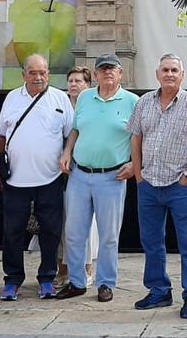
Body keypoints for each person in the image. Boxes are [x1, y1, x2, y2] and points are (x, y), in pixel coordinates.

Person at [129, 54, 187, 319]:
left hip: (180, 185)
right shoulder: (144, 102)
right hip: (149, 185)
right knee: (152, 242)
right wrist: (139, 174)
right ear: (157, 74)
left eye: (174, 70)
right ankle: (159, 290)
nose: (169, 74)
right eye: (165, 70)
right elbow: (136, 137)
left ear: (182, 75)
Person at [57, 54, 139, 303]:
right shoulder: (84, 97)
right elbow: (76, 128)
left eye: (111, 69)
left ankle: (105, 283)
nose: (107, 73)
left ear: (120, 73)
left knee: (108, 234)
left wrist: (136, 164)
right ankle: (77, 282)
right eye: (102, 69)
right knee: (73, 232)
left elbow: (139, 136)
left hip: (112, 176)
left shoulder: (132, 101)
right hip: (80, 174)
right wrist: (67, 151)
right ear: (96, 74)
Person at [0, 54, 75, 301]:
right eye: (32, 72)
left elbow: (70, 135)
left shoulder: (60, 98)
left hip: (50, 178)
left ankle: (47, 279)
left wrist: (67, 156)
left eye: (42, 72)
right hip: (16, 181)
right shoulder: (12, 98)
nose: (38, 77)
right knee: (12, 232)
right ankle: (12, 280)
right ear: (24, 75)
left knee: (50, 232)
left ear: (48, 74)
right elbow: (2, 135)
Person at [55, 66, 97, 288]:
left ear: (88, 85)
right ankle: (63, 267)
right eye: (70, 80)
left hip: (87, 171)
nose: (73, 84)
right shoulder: (60, 105)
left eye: (78, 81)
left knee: (87, 225)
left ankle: (87, 268)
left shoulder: (92, 106)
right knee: (65, 224)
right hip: (62, 173)